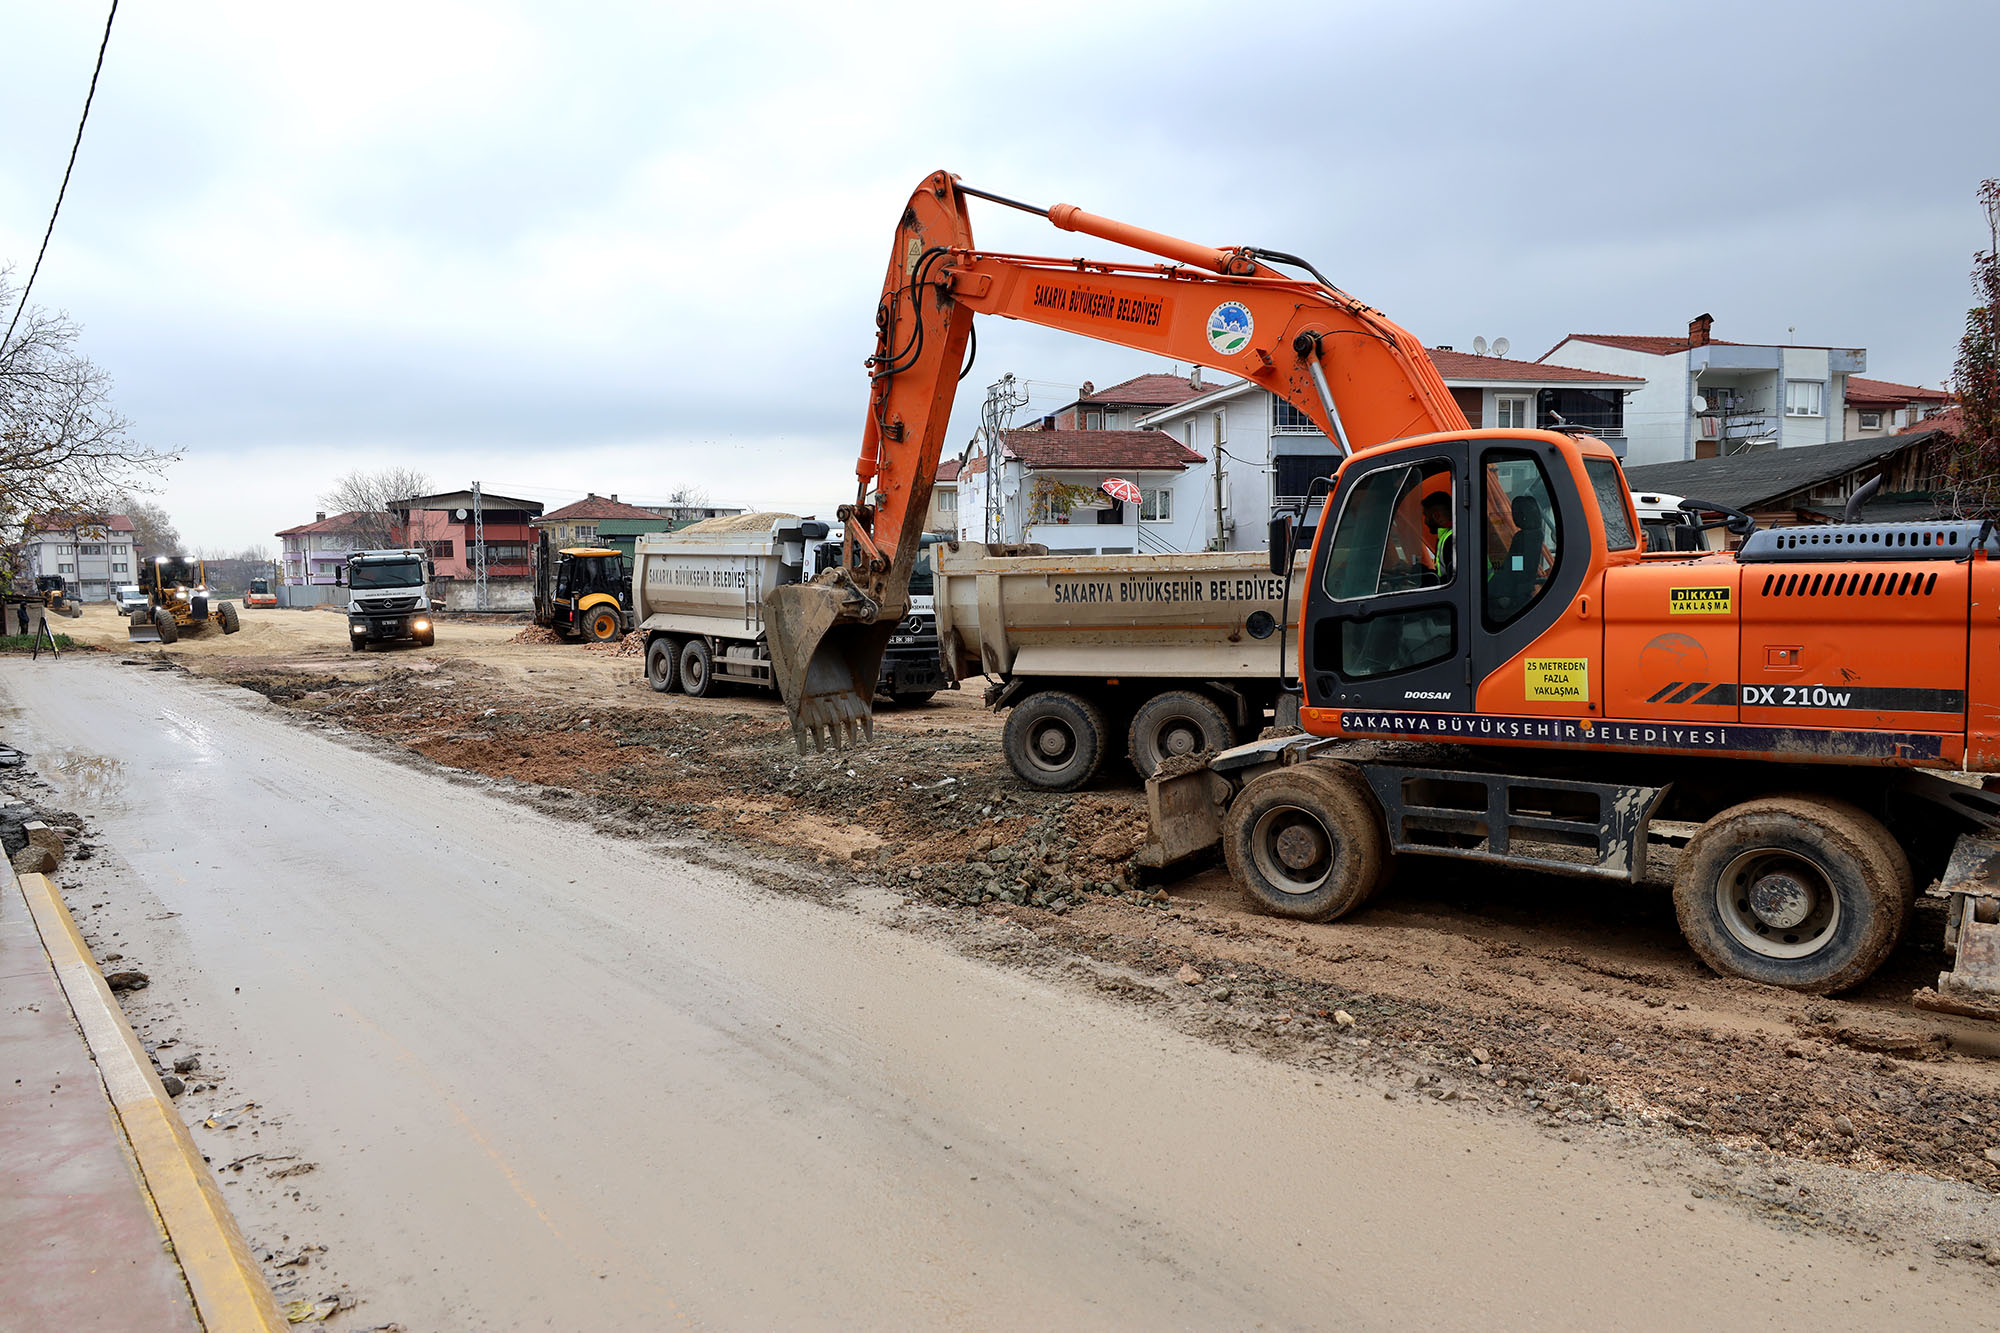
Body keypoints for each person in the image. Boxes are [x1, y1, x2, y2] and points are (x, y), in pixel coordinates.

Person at [1422, 492, 1454, 581]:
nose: (1425, 521)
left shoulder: (1451, 540)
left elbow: (1452, 580)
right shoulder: (1448, 536)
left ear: (1436, 516)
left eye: (1426, 516)